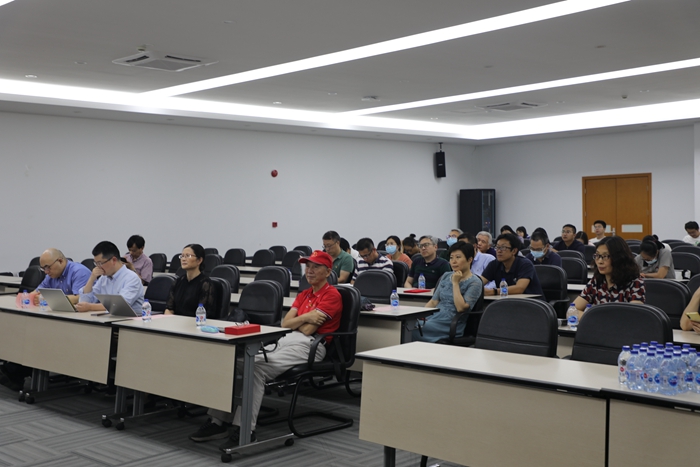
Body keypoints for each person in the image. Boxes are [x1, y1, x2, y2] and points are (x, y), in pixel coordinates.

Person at [189, 250, 343, 448]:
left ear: (328, 271)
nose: (309, 271)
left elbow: (308, 330)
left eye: (316, 267)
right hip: (287, 338)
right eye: (308, 267)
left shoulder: (332, 295)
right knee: (236, 363)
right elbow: (286, 324)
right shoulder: (304, 294)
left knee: (255, 369)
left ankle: (245, 430)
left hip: (311, 345)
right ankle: (217, 422)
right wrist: (306, 317)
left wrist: (299, 321)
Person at [412, 242, 483, 343]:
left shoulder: (475, 282)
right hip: (434, 317)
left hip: (451, 322)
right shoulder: (446, 276)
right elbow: (433, 302)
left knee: (413, 328)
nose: (453, 261)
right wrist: (421, 315)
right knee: (409, 323)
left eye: (458, 257)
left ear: (469, 260)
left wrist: (455, 283)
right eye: (451, 258)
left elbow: (461, 308)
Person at [573, 236, 644, 318]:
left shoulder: (636, 283)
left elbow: (633, 317)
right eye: (597, 255)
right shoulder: (596, 281)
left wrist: (597, 319)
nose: (600, 261)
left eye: (605, 256)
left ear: (619, 258)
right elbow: (572, 310)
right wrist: (597, 320)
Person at [77, 241, 144, 313]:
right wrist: (91, 278)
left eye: (100, 263)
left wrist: (90, 307)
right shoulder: (103, 278)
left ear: (114, 260)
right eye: (96, 263)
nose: (98, 267)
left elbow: (119, 305)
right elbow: (84, 301)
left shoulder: (132, 278)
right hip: (107, 318)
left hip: (129, 318)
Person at [479, 233, 544, 297]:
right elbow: (479, 282)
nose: (499, 251)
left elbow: (519, 288)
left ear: (514, 251)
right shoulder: (494, 264)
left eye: (503, 247)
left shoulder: (525, 264)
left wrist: (493, 291)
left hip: (531, 302)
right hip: (506, 301)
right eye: (497, 247)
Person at [164, 244, 216, 316]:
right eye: (182, 256)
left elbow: (203, 314)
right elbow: (169, 309)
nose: (183, 259)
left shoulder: (206, 284)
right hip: (176, 321)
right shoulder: (178, 282)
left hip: (194, 322)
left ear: (199, 260)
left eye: (188, 256)